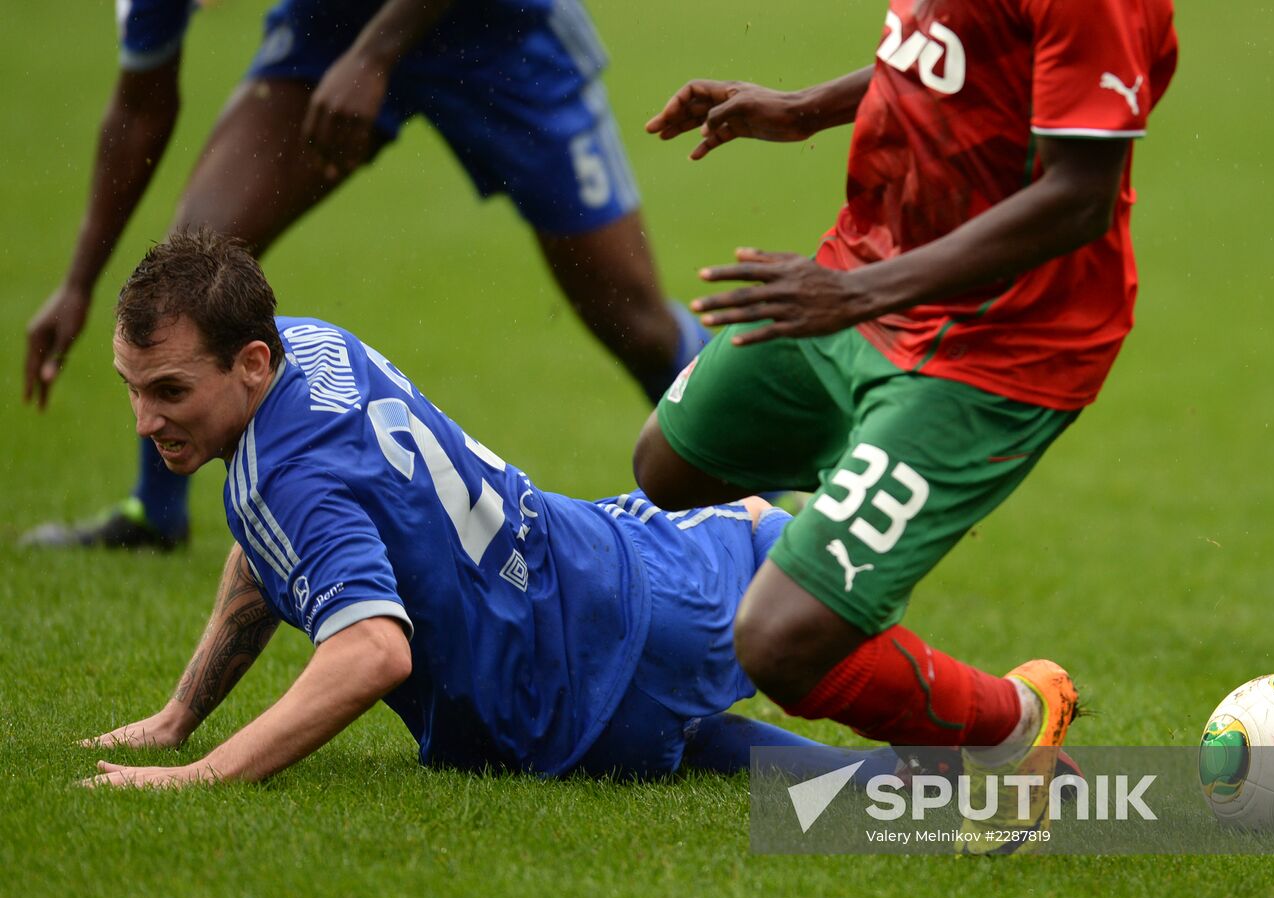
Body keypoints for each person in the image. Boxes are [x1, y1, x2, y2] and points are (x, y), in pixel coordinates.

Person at [632, 0, 1178, 853]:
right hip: (867, 270)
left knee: (779, 643)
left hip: (992, 352)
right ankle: (846, 558)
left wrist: (857, 296)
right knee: (671, 465)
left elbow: (1080, 198)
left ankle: (1010, 723)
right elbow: (949, 54)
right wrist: (804, 107)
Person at [82, 228, 842, 788]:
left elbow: (372, 650)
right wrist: (180, 715)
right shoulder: (309, 343)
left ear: (250, 363)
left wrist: (200, 774)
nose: (144, 421)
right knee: (776, 548)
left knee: (785, 567)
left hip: (580, 695)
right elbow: (274, 549)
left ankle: (923, 443)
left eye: (169, 391)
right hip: (604, 615)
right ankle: (959, 805)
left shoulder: (284, 480)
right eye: (131, 386)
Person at [23, 0, 707, 551]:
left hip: (502, 33)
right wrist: (78, 284)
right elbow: (141, 106)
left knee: (634, 321)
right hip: (331, 29)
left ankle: (745, 460)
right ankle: (156, 513)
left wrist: (377, 54)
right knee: (191, 264)